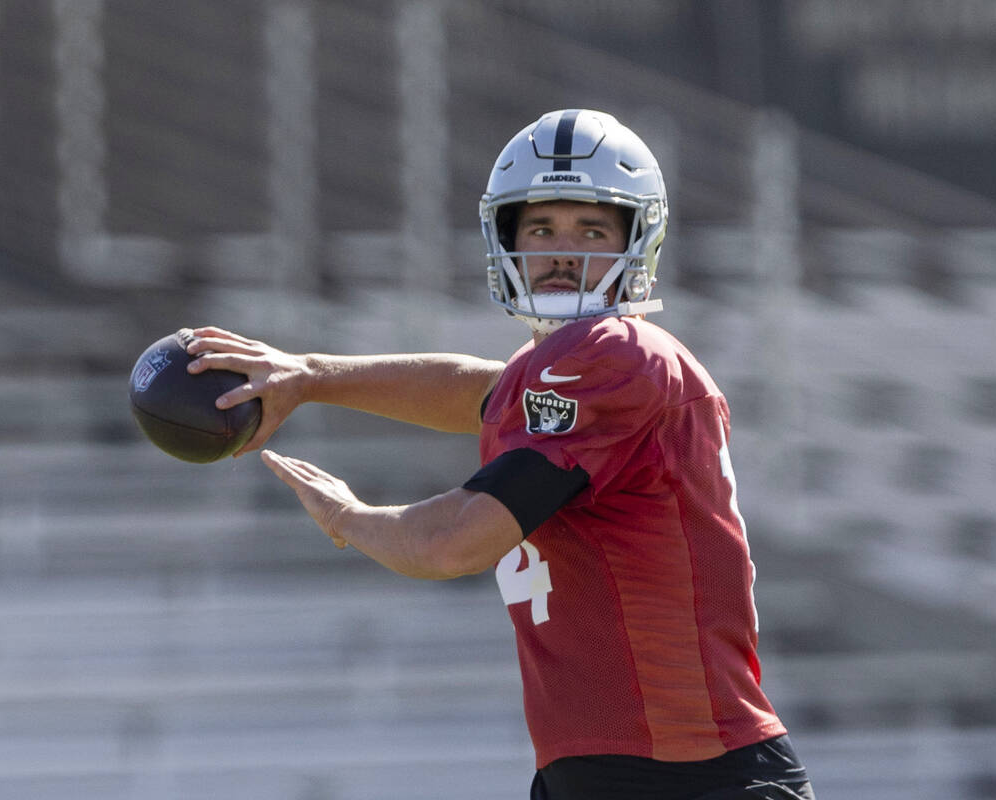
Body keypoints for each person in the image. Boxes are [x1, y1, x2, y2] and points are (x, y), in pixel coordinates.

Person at [186, 109, 813, 799]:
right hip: (614, 770)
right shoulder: (572, 366)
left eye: (592, 230)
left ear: (639, 243)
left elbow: (449, 545)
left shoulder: (615, 354)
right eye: (541, 228)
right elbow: (480, 389)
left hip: (686, 776)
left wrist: (346, 515)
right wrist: (309, 375)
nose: (561, 250)